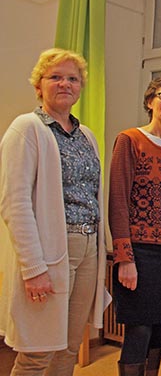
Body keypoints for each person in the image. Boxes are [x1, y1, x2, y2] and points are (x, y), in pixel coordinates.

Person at [0, 48, 107, 375]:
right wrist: (34, 268)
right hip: (50, 251)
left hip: (89, 249)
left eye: (72, 79)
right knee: (38, 350)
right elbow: (14, 202)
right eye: (55, 77)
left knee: (69, 347)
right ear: (39, 86)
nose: (65, 84)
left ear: (80, 87)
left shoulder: (86, 135)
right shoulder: (26, 129)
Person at [108, 76, 161, 376]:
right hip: (140, 252)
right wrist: (124, 258)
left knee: (159, 328)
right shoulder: (130, 140)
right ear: (150, 102)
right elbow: (118, 200)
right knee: (139, 328)